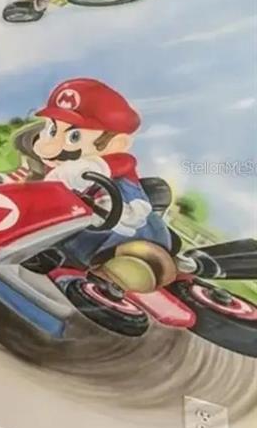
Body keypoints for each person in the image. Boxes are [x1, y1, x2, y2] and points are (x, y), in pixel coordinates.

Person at [31, 78, 175, 293]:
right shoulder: (60, 168)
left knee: (124, 249)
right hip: (65, 228)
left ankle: (98, 277)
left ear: (115, 144)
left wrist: (111, 211)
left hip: (112, 236)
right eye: (52, 130)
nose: (49, 146)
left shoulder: (113, 171)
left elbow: (131, 215)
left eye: (74, 137)